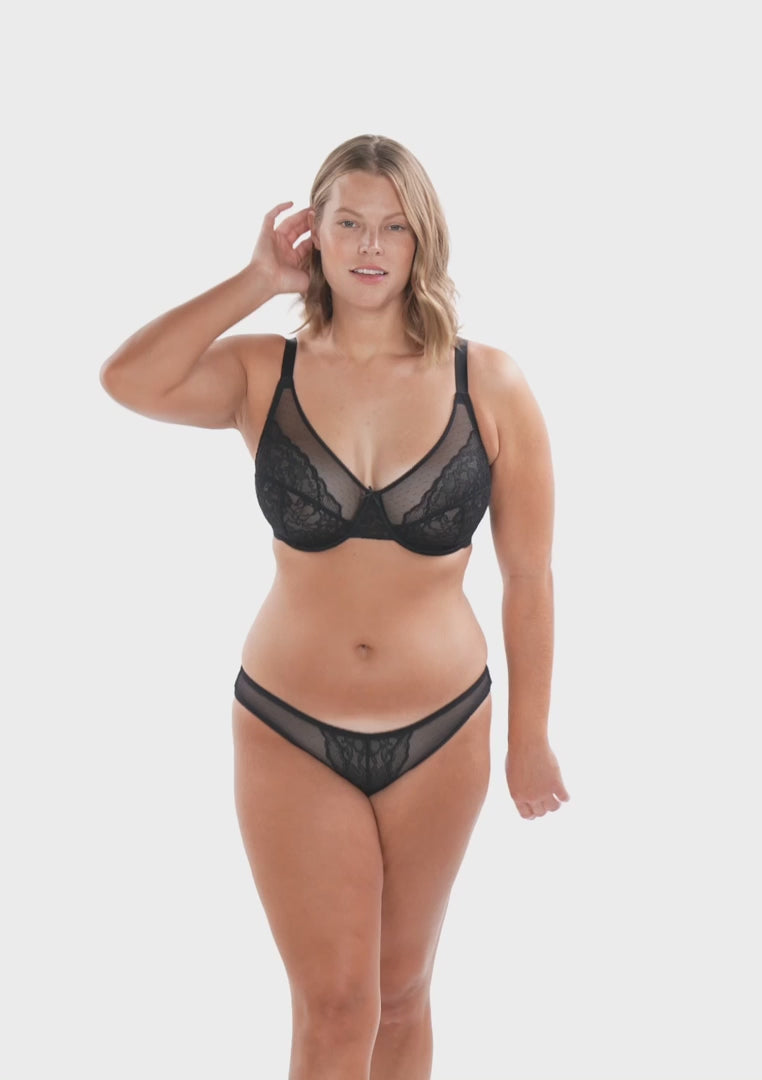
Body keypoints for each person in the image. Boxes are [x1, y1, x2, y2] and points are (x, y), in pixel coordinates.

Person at [100, 133, 570, 1080]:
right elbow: (128, 379)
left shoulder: (490, 382)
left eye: (394, 226)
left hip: (444, 730)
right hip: (289, 725)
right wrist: (252, 281)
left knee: (400, 996)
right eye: (349, 222)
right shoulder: (261, 372)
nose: (370, 245)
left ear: (422, 239)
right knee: (335, 1006)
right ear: (313, 232)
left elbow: (528, 575)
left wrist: (530, 737)